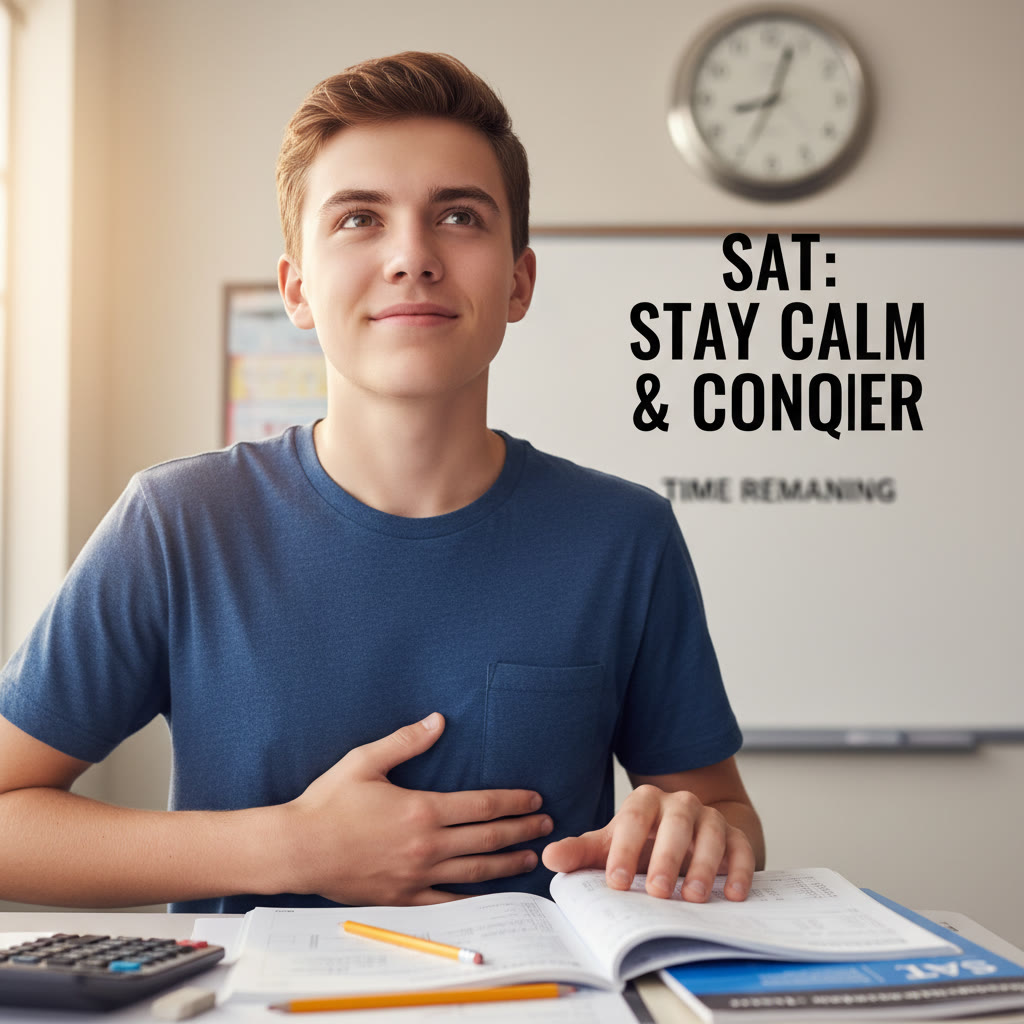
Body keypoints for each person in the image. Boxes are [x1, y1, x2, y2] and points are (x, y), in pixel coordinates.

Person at [0, 52, 764, 913]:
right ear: (297, 290)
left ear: (518, 281)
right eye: (360, 218)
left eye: (460, 216)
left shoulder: (626, 536)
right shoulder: (177, 524)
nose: (412, 256)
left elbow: (722, 807)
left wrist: (695, 830)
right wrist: (289, 847)